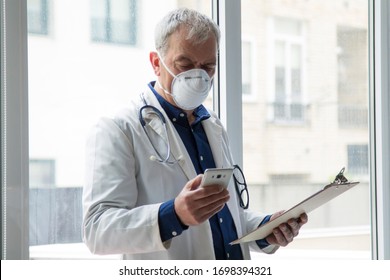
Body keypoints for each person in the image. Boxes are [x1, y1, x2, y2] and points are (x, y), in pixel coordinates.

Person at [82, 7, 308, 260]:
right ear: (157, 63)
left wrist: (264, 229)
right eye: (185, 64)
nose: (198, 76)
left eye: (208, 66)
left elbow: (223, 217)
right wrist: (174, 215)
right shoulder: (118, 128)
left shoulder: (212, 125)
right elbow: (97, 229)